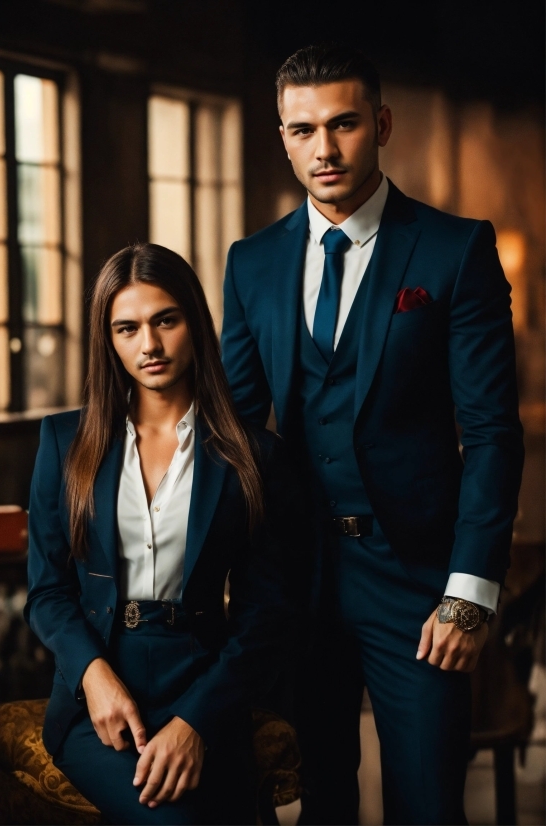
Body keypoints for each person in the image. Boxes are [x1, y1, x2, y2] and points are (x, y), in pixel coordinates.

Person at [221, 43, 524, 825]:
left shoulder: (456, 250)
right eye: (303, 130)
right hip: (301, 582)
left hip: (417, 583)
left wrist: (469, 593)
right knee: (321, 801)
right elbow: (240, 435)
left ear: (380, 123)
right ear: (281, 136)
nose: (324, 149)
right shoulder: (250, 265)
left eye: (345, 124)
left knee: (428, 804)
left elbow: (491, 432)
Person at [25, 242, 302, 825]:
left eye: (164, 321)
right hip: (96, 693)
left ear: (194, 324)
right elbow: (48, 592)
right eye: (127, 328)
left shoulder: (251, 456)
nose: (148, 345)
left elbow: (266, 611)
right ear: (108, 340)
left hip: (204, 687)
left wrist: (198, 721)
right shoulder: (64, 444)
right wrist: (93, 676)